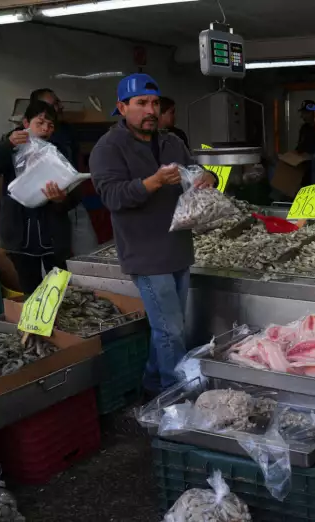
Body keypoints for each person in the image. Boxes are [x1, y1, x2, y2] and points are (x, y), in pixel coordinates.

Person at [89, 73, 213, 394]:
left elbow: (194, 171)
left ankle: (153, 383)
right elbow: (112, 196)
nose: (151, 110)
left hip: (179, 247)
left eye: (155, 103)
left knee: (171, 328)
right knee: (170, 330)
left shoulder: (172, 141)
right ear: (122, 107)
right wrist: (154, 182)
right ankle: (175, 393)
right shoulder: (108, 148)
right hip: (145, 253)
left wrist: (207, 177)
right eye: (141, 103)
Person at [0, 101, 80, 293]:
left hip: (53, 236)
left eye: (50, 126)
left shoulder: (60, 151)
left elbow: (75, 194)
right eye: (39, 123)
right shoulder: (11, 147)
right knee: (31, 290)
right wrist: (6, 145)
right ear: (26, 123)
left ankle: (60, 322)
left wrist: (60, 200)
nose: (45, 129)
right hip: (18, 236)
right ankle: (35, 323)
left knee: (60, 290)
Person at [29, 88, 78, 167]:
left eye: (59, 102)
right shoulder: (16, 138)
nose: (61, 106)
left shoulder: (67, 129)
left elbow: (76, 160)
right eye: (55, 104)